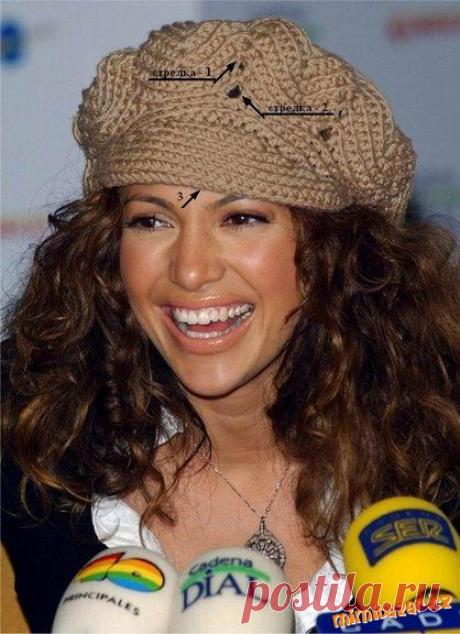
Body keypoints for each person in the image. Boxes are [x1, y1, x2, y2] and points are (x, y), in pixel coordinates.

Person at [2, 16, 459, 634]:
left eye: (242, 219)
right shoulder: (30, 439)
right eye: (151, 220)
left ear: (336, 251)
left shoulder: (441, 449)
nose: (190, 270)